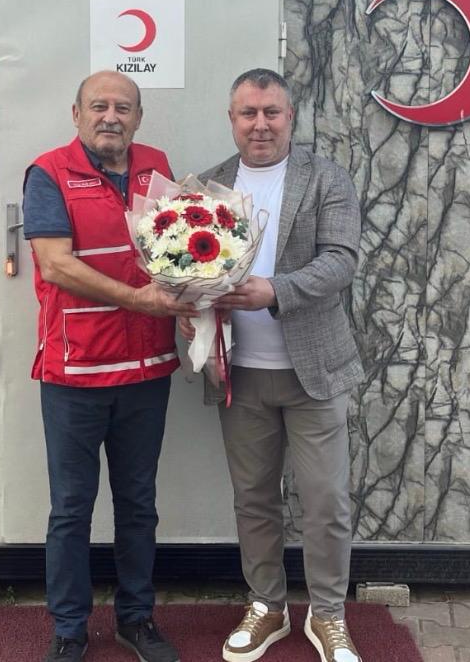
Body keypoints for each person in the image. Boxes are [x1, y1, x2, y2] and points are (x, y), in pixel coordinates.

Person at [182, 68, 365, 662]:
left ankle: (329, 614)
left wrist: (274, 290)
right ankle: (268, 606)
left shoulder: (326, 177)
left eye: (271, 113)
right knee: (254, 499)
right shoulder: (207, 185)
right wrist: (190, 310)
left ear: (290, 116)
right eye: (248, 113)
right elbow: (186, 266)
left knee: (325, 501)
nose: (260, 124)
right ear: (231, 119)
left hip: (314, 373)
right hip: (239, 372)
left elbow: (341, 260)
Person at [24, 70, 196, 662]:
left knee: (139, 505)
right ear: (76, 114)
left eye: (123, 107)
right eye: (98, 106)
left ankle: (136, 618)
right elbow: (55, 265)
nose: (110, 117)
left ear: (138, 118)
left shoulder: (157, 167)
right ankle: (69, 627)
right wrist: (141, 301)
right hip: (76, 372)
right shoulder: (48, 173)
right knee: (71, 510)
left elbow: (180, 249)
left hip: (147, 369)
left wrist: (195, 303)